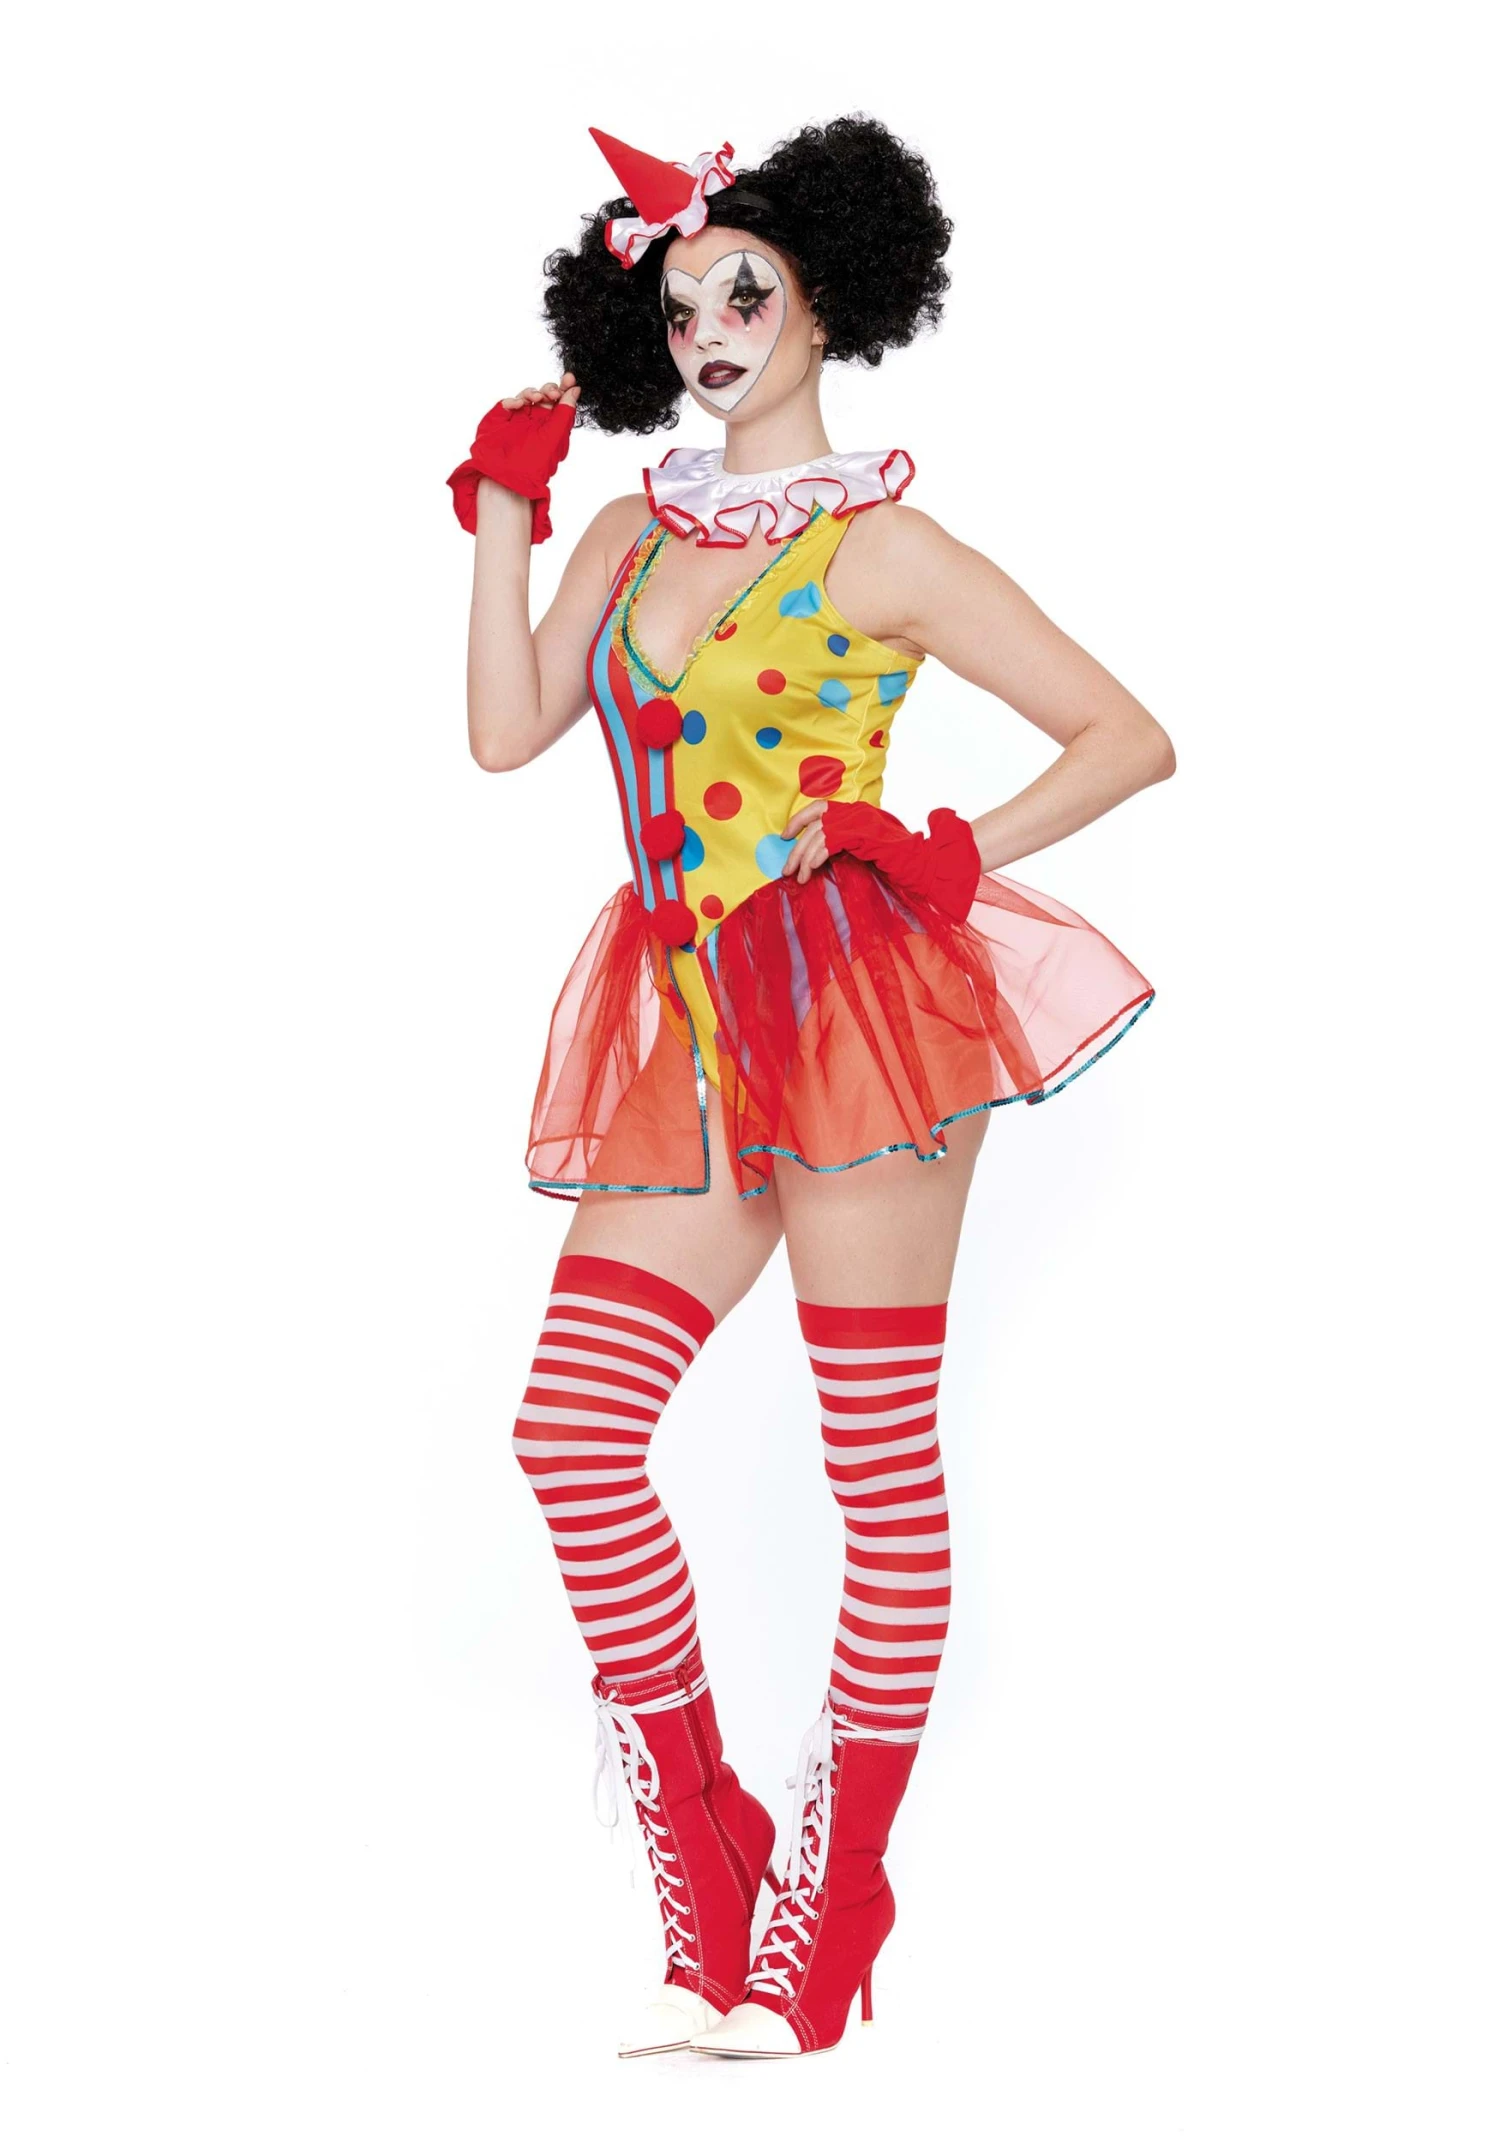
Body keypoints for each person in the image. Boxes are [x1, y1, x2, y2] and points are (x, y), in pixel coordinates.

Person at [447, 114, 1174, 2060]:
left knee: (875, 1464)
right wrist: (510, 508)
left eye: (744, 291)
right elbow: (509, 733)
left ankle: (830, 1917)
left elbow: (1128, 735)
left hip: (856, 1012)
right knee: (573, 1431)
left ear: (828, 295)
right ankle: (710, 1855)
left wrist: (945, 847)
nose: (709, 330)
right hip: (685, 1020)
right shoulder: (630, 536)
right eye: (680, 306)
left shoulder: (887, 548)